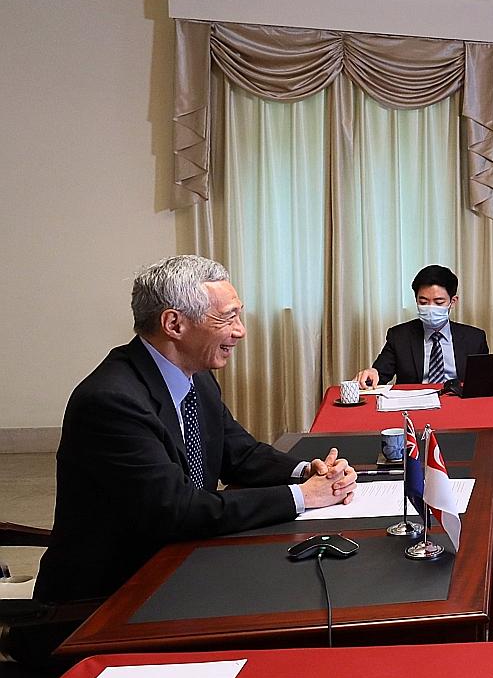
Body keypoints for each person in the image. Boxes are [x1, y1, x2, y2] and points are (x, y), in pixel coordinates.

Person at [35, 255, 357, 605]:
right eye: (228, 317)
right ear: (174, 324)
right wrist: (303, 497)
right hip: (111, 598)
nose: (240, 331)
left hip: (181, 562)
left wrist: (305, 472)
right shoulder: (112, 401)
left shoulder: (196, 376)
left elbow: (240, 454)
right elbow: (176, 510)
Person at [356, 264, 490, 388]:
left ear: (452, 301)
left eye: (439, 302)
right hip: (414, 405)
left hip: (458, 405)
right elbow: (380, 372)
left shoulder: (475, 338)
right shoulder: (399, 336)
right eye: (423, 302)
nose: (431, 308)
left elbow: (483, 382)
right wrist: (372, 372)